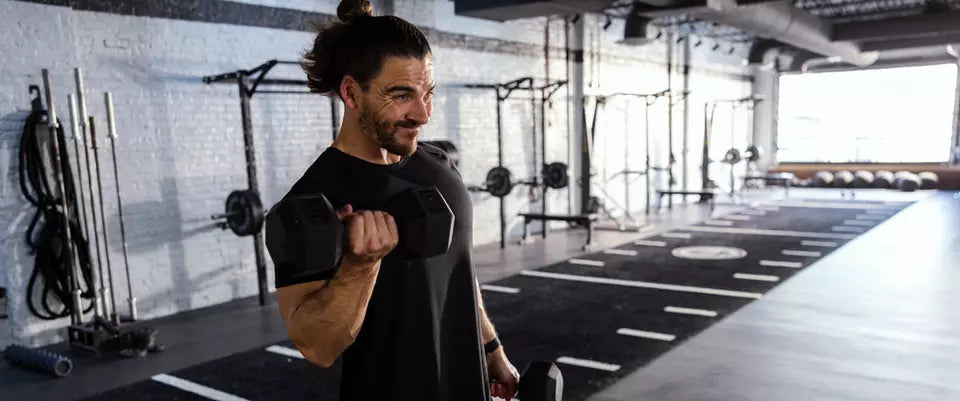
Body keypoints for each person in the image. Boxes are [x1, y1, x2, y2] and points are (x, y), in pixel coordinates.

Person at [272, 1, 519, 400]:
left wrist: (491, 349)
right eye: (401, 95)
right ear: (352, 92)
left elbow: (459, 267)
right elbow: (316, 346)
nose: (422, 114)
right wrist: (359, 267)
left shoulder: (440, 165)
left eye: (428, 94)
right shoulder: (308, 204)